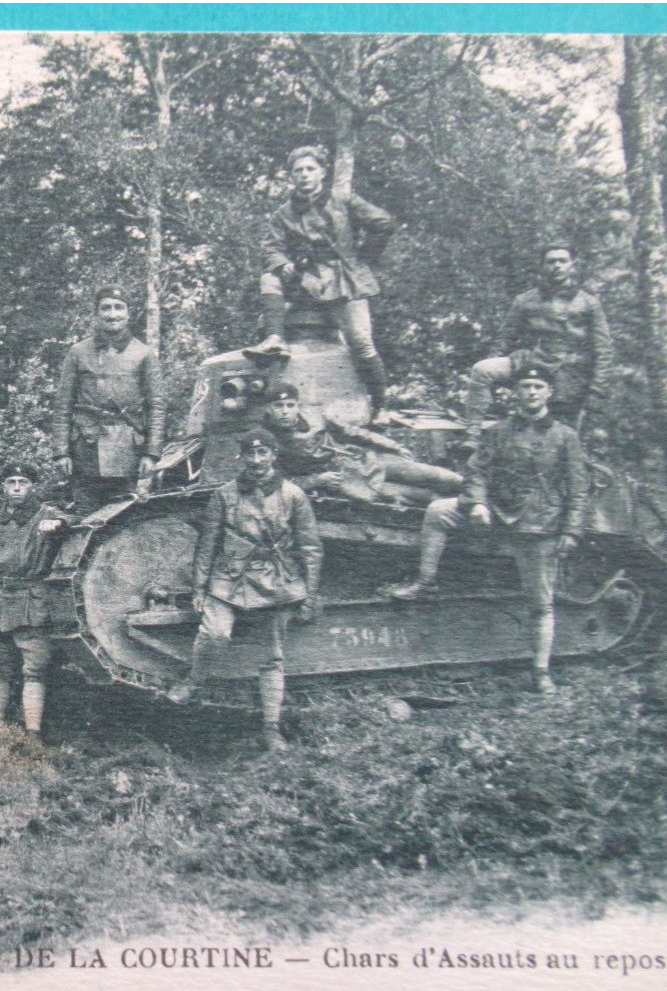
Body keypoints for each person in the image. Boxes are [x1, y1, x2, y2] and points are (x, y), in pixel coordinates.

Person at [388, 366, 588, 694]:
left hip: (540, 522)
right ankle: (425, 582)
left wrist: (571, 532)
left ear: (549, 392)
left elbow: (579, 488)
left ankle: (540, 671)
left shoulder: (565, 436)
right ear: (515, 393)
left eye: (538, 386)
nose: (531, 392)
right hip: (496, 510)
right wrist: (478, 503)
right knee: (439, 511)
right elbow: (477, 471)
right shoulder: (499, 430)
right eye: (525, 386)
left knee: (541, 602)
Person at [167, 430, 322, 752]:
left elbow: (310, 547)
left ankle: (271, 727)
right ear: (242, 458)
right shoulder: (225, 495)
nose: (256, 461)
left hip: (276, 580)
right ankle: (193, 681)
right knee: (215, 634)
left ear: (273, 455)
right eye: (250, 455)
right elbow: (208, 543)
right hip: (229, 578)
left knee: (271, 656)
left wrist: (310, 591)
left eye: (262, 453)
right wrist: (199, 586)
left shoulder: (293, 495)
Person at [248, 145, 398, 414]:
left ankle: (381, 406)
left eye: (310, 169)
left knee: (361, 343)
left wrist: (362, 257)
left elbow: (383, 223)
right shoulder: (283, 213)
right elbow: (270, 247)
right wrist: (284, 265)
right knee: (270, 277)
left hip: (344, 280)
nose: (304, 175)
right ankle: (275, 338)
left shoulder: (342, 200)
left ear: (322, 173)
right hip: (307, 279)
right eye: (298, 170)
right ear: (291, 176)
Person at [463, 242, 614, 435]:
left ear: (572, 265)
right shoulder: (525, 300)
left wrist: (598, 389)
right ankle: (473, 433)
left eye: (562, 261)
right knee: (483, 370)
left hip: (570, 369)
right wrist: (494, 365)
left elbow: (603, 349)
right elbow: (505, 337)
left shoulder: (588, 303)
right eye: (551, 261)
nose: (557, 266)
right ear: (542, 266)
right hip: (531, 360)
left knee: (559, 431)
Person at [0, 463, 69, 748]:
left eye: (22, 482)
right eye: (11, 482)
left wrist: (60, 524)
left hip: (31, 602)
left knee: (34, 669)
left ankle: (33, 734)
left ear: (32, 487)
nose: (16, 487)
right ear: (3, 487)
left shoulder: (46, 516)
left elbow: (72, 521)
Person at [51, 285, 166, 514]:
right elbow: (63, 406)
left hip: (127, 451)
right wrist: (61, 452)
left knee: (123, 519)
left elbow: (157, 406)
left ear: (128, 313)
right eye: (106, 308)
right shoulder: (78, 352)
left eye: (118, 308)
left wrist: (151, 454)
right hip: (87, 448)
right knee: (85, 517)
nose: (112, 314)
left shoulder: (143, 354)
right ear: (96, 314)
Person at [261, 383, 463, 506]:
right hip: (349, 482)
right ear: (269, 409)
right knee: (426, 497)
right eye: (278, 406)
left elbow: (356, 433)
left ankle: (481, 499)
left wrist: (394, 446)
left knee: (439, 477)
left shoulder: (317, 416)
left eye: (290, 405)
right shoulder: (266, 440)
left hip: (367, 460)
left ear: (297, 406)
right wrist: (317, 480)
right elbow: (279, 481)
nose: (285, 411)